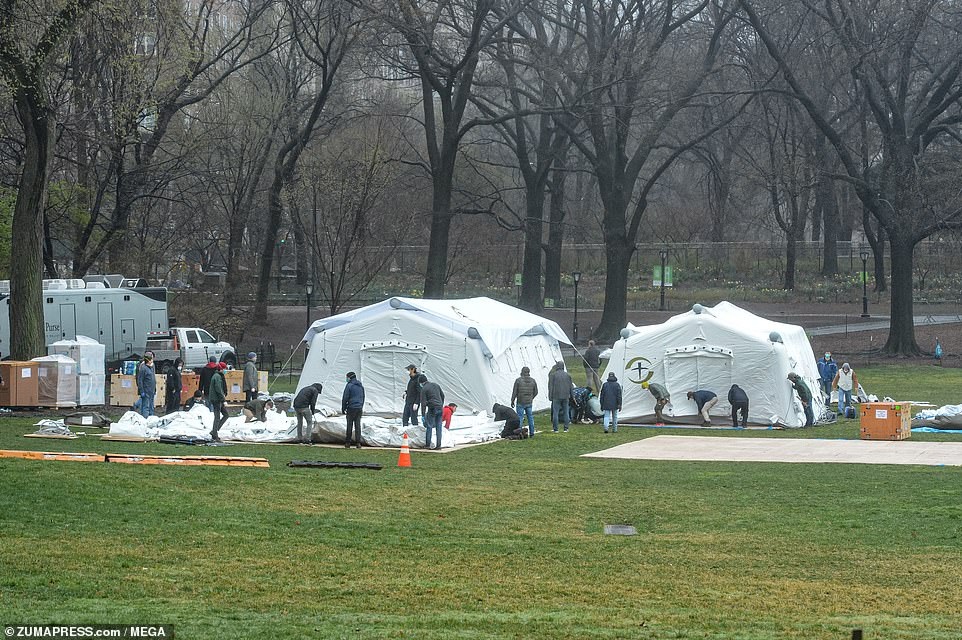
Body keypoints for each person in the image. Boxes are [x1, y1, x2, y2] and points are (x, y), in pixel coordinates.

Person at [510, 366, 538, 437]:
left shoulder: (518, 380)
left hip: (520, 402)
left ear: (522, 372)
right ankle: (532, 433)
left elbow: (514, 392)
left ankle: (519, 433)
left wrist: (512, 400)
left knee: (520, 418)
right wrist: (531, 398)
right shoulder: (533, 380)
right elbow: (536, 392)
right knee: (530, 417)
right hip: (529, 402)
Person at [419, 373, 445, 449]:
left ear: (421, 383)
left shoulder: (424, 389)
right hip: (440, 408)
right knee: (439, 427)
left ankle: (428, 445)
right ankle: (438, 445)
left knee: (429, 426)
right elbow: (443, 396)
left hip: (432, 408)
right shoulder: (436, 385)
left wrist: (423, 415)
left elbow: (423, 403)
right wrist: (441, 404)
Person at [548, 361, 573, 433]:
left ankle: (556, 429)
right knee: (566, 412)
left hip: (556, 396)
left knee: (555, 413)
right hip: (566, 396)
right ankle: (566, 428)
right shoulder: (568, 375)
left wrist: (550, 396)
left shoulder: (553, 375)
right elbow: (571, 387)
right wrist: (572, 396)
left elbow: (550, 387)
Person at [342, 371, 365, 448]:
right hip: (359, 408)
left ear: (350, 377)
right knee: (357, 425)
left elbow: (345, 397)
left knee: (349, 425)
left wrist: (343, 408)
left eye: (347, 377)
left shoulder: (349, 385)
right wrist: (361, 405)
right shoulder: (360, 386)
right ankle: (358, 443)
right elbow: (363, 397)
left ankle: (348, 442)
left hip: (351, 407)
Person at [208, 362, 229, 441]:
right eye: (224, 369)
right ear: (221, 369)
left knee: (226, 415)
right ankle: (214, 434)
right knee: (217, 417)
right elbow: (218, 389)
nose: (225, 370)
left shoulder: (217, 376)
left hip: (218, 399)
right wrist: (223, 400)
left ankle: (214, 431)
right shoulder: (217, 377)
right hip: (216, 399)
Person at [136, 352, 156, 418]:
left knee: (151, 406)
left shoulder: (152, 367)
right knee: (145, 406)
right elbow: (140, 380)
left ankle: (151, 418)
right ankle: (144, 418)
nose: (152, 360)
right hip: (146, 391)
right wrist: (142, 391)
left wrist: (154, 389)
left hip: (152, 391)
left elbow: (153, 378)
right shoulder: (143, 368)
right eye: (151, 358)